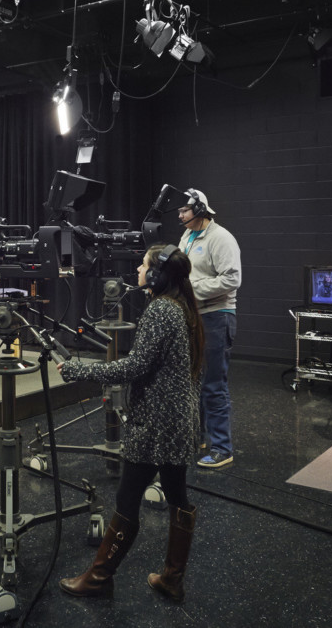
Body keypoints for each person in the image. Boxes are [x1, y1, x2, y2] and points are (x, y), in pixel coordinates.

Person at [57, 245, 204, 602]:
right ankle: (172, 579)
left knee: (127, 498)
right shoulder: (181, 307)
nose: (138, 270)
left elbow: (133, 367)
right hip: (178, 419)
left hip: (155, 424)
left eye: (143, 265)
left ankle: (99, 578)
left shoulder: (159, 311)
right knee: (177, 495)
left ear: (155, 276)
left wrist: (79, 370)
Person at [176, 188, 241, 468]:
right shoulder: (187, 236)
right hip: (193, 316)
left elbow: (232, 279)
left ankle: (222, 449)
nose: (179, 215)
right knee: (194, 381)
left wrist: (192, 289)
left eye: (184, 211)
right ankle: (199, 437)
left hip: (216, 317)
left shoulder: (221, 238)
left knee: (214, 385)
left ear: (200, 210)